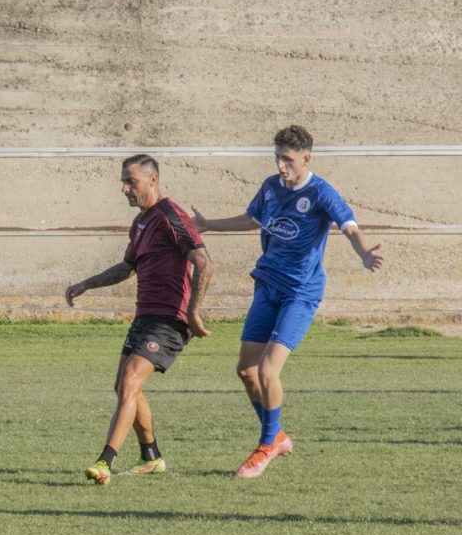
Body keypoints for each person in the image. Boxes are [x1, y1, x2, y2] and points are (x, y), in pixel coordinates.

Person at [192, 125, 384, 478]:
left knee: (268, 370)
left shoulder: (321, 192)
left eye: (288, 159)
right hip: (267, 285)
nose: (281, 165)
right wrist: (209, 225)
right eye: (277, 157)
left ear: (306, 158)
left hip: (300, 292)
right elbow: (252, 219)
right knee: (246, 371)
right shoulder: (269, 187)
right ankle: (277, 435)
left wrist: (363, 252)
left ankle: (266, 445)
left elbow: (349, 226)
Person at [66, 154, 214, 485]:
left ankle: (105, 462)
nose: (124, 189)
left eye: (130, 181)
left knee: (131, 381)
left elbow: (204, 262)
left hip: (169, 320)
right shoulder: (142, 222)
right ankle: (151, 456)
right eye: (123, 182)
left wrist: (193, 311)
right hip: (145, 316)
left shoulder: (171, 216)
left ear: (152, 180)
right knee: (123, 386)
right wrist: (87, 283)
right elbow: (126, 267)